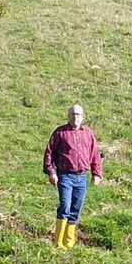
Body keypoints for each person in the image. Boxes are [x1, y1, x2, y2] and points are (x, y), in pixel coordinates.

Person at [42, 103, 103, 249]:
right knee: (65, 207)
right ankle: (58, 242)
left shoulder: (88, 134)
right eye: (73, 114)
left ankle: (68, 243)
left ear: (83, 117)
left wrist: (97, 174)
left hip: (82, 178)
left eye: (78, 114)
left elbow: (95, 155)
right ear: (68, 116)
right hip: (65, 176)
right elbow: (49, 154)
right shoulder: (60, 133)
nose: (76, 117)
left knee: (76, 208)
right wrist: (51, 172)